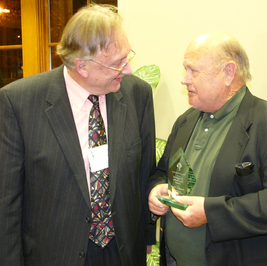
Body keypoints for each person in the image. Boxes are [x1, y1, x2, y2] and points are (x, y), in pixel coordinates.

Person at [0, 4, 156, 266]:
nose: (128, 69)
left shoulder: (137, 94)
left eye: (127, 57)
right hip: (55, 253)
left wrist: (146, 238)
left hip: (122, 251)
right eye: (118, 62)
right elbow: (6, 202)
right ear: (82, 65)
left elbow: (144, 173)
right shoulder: (19, 103)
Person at [148, 32, 267, 266]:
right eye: (184, 70)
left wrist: (211, 213)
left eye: (193, 71)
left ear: (228, 73)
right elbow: (162, 171)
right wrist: (156, 189)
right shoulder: (186, 121)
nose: (184, 79)